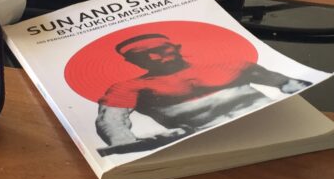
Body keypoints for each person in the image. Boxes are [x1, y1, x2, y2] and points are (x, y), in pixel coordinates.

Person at [95, 33, 310, 156]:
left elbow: (287, 83)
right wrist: (122, 141)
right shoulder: (128, 88)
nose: (153, 57)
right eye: (140, 55)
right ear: (132, 61)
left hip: (268, 124)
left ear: (175, 47)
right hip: (206, 143)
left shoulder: (229, 64)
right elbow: (112, 120)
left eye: (160, 50)